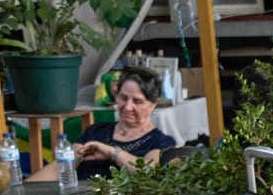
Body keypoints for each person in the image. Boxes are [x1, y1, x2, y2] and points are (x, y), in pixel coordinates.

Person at [32, 70, 175, 183]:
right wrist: (20, 191)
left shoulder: (160, 142)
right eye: (123, 98)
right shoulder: (95, 132)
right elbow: (60, 167)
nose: (127, 107)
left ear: (153, 105)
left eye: (137, 101)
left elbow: (148, 174)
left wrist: (112, 153)